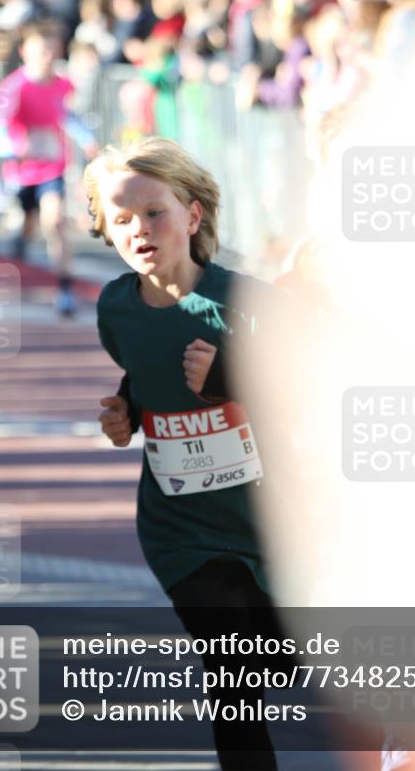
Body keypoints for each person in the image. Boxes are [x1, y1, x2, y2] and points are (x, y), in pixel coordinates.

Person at [84, 138, 302, 770]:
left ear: (193, 215)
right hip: (180, 529)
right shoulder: (116, 308)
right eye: (122, 219)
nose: (140, 229)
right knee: (231, 677)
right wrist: (129, 412)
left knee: (279, 662)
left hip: (272, 521)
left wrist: (230, 377)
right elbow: (144, 371)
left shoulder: (248, 303)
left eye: (155, 212)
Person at [0, 21, 98, 316]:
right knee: (28, 222)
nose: (46, 57)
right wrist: (14, 149)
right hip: (22, 171)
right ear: (25, 52)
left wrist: (87, 139)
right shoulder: (13, 87)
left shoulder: (62, 85)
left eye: (51, 51)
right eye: (40, 51)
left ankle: (65, 290)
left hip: (52, 168)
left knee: (55, 221)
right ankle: (21, 240)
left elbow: (66, 115)